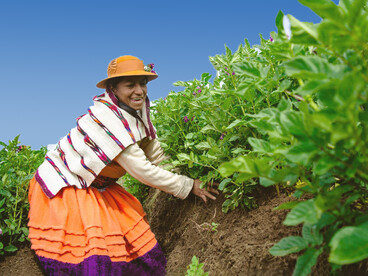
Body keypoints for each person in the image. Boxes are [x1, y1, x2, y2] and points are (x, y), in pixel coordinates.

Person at [27, 55, 218, 275]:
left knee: (132, 247)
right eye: (130, 85)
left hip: (98, 183)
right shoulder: (107, 119)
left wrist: (179, 174)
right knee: (91, 255)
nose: (139, 90)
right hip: (69, 184)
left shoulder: (136, 109)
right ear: (113, 88)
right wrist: (188, 185)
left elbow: (153, 150)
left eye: (143, 83)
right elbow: (143, 170)